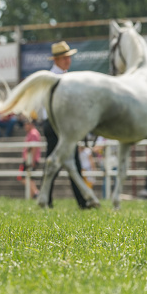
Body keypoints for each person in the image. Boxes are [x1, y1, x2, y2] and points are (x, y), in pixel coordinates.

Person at [40, 41, 88, 209]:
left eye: (68, 57)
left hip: (60, 125)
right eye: (64, 58)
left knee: (64, 162)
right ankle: (81, 201)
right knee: (60, 163)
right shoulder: (54, 78)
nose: (68, 60)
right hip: (55, 124)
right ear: (57, 60)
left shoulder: (60, 77)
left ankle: (49, 200)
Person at [18, 119, 41, 198]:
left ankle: (36, 193)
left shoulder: (34, 133)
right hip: (29, 159)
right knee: (30, 178)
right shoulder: (32, 133)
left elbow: (34, 148)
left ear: (31, 124)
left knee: (23, 177)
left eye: (26, 124)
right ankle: (32, 196)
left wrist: (32, 161)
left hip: (30, 160)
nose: (25, 126)